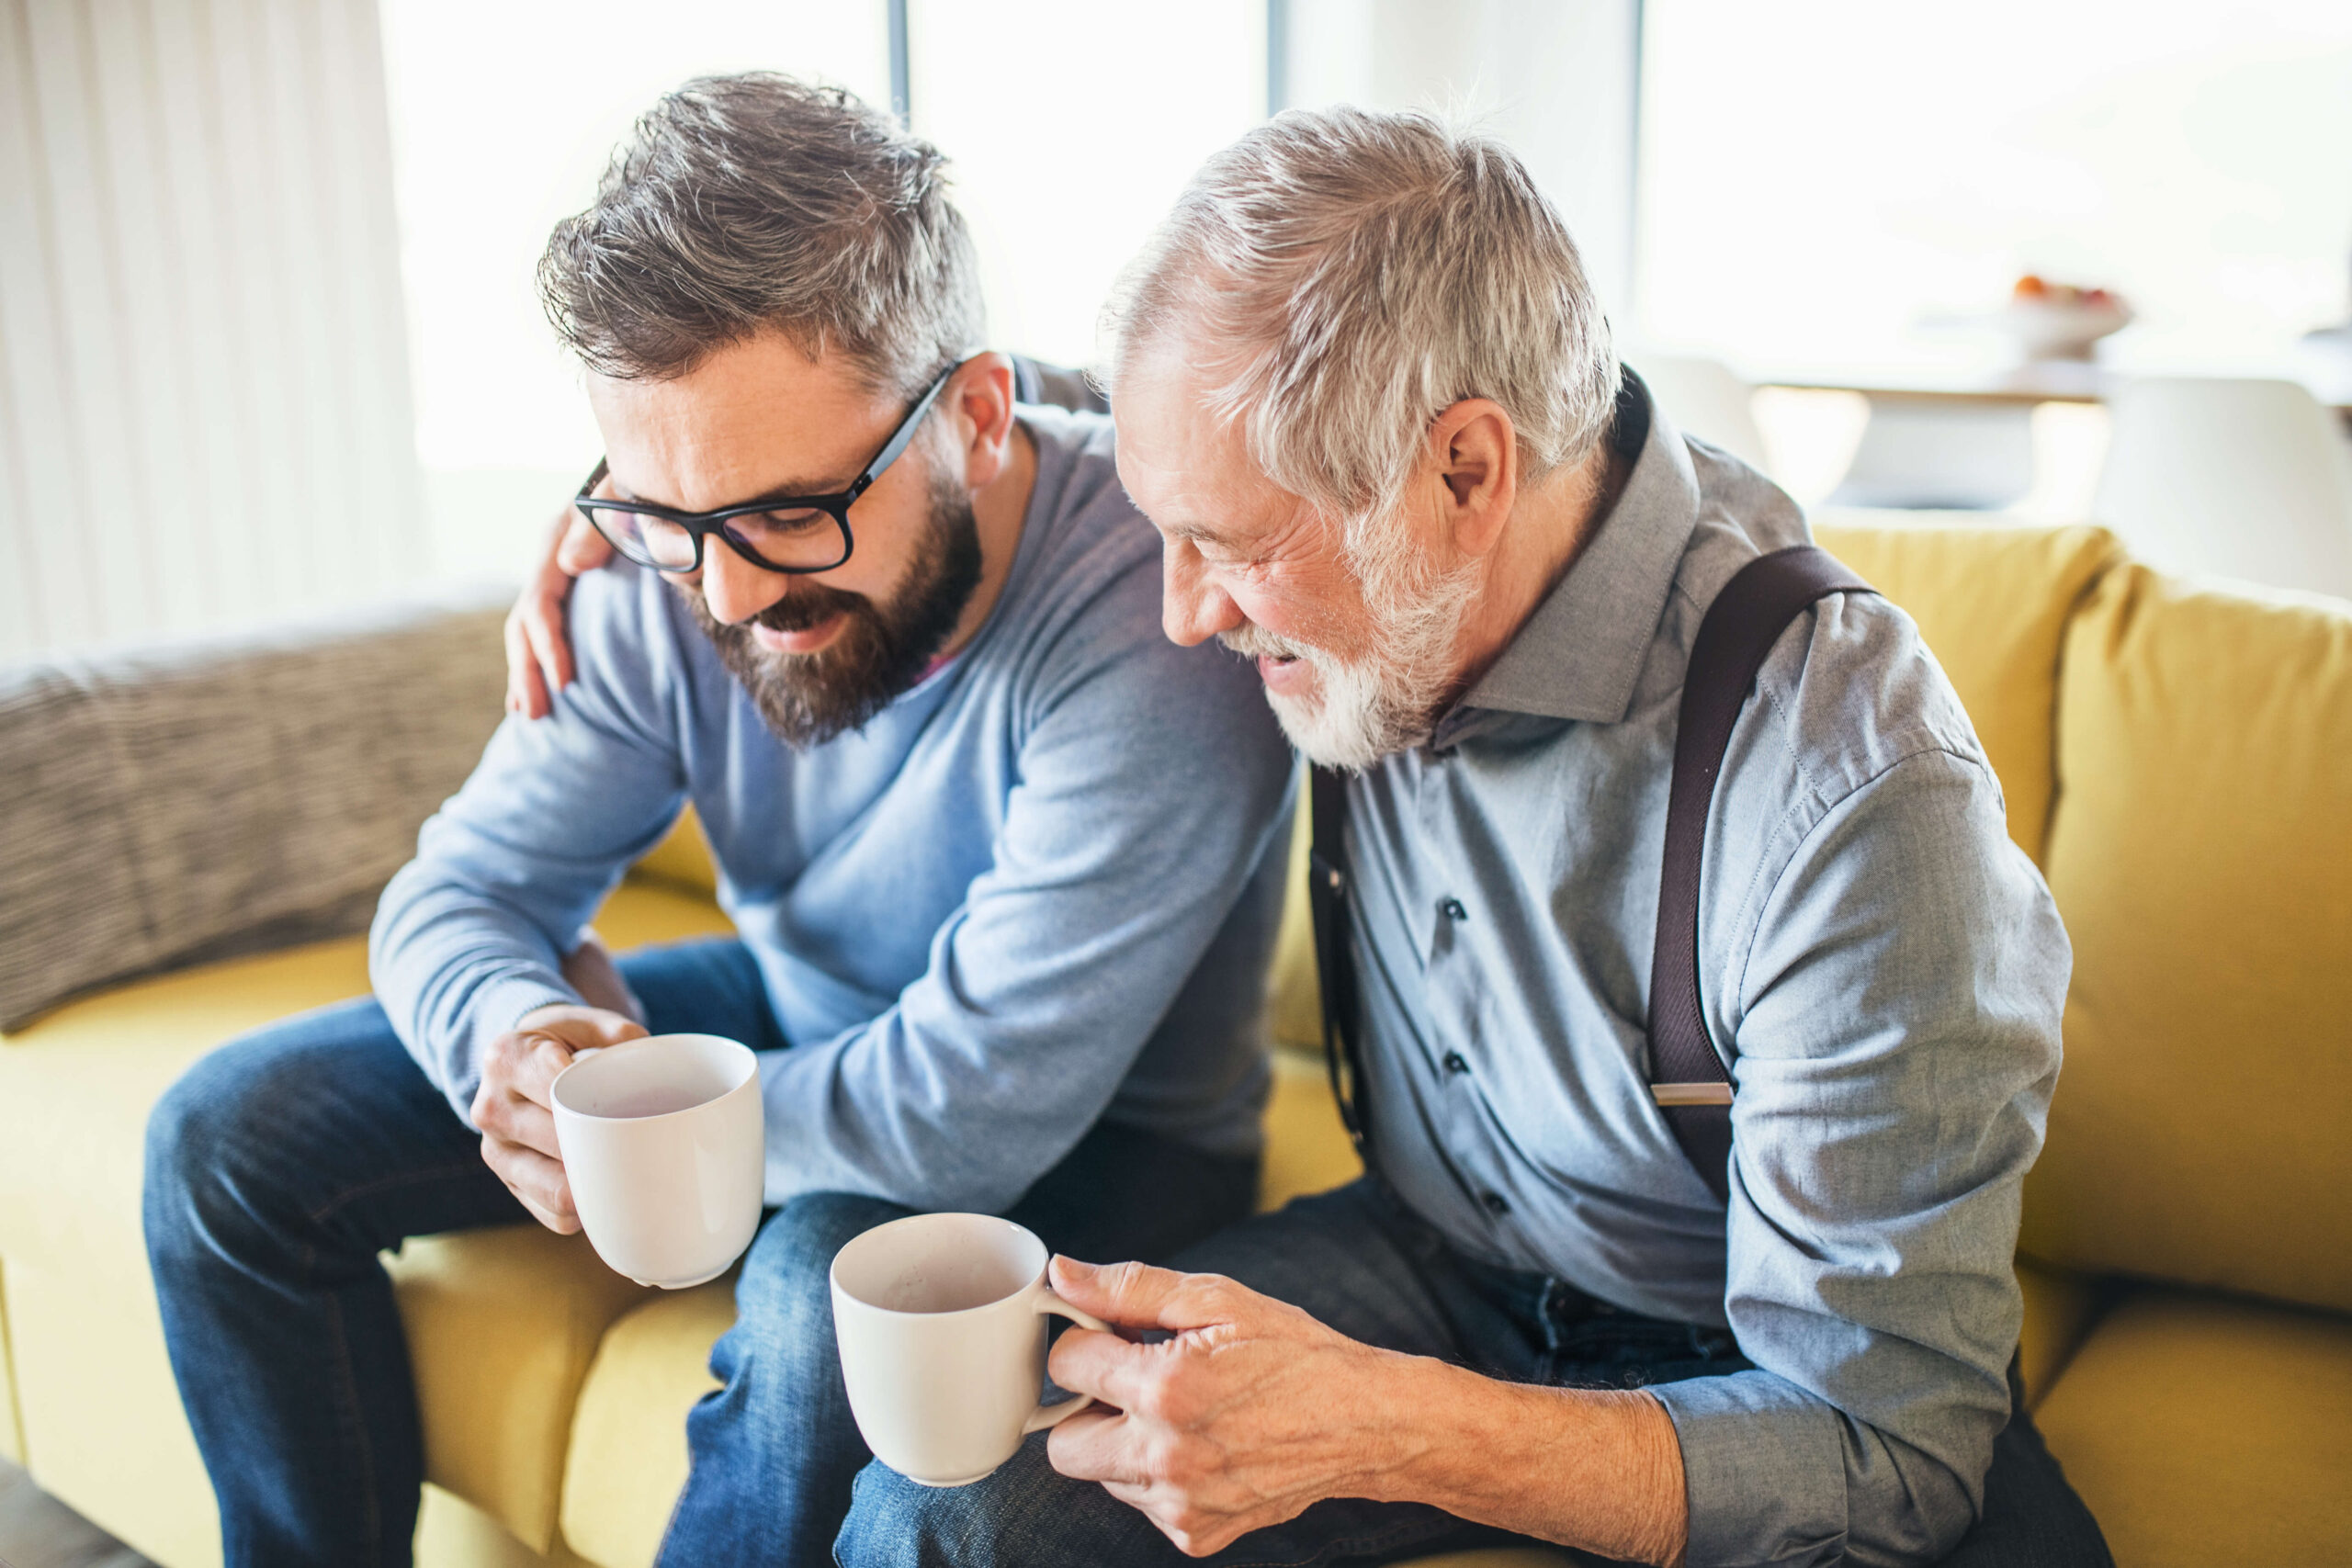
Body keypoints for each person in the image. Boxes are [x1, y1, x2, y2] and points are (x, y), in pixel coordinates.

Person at [831, 107, 2109, 1566]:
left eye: (1235, 547)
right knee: (953, 1522)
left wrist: (1386, 1426)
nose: (1182, 612)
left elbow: (1885, 1448)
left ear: (1464, 473)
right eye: (1164, 529)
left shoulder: (1850, 792)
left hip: (1752, 1363)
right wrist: (677, 510)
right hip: (1435, 1259)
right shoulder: (1362, 537)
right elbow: (1020, 423)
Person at [141, 73, 1293, 1568]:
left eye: (787, 513)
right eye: (665, 514)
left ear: (980, 414)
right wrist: (521, 1046)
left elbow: (958, 1114)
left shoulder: (1155, 623)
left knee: (827, 1292)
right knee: (224, 1143)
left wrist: (660, 1147)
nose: (731, 598)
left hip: (1109, 1133)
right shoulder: (667, 564)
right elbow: (462, 894)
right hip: (799, 1022)